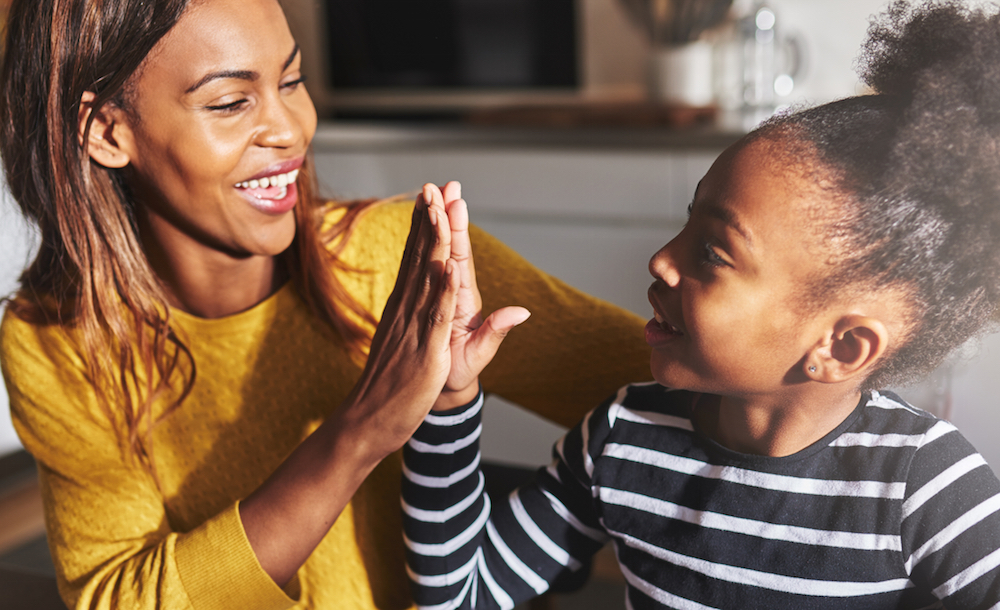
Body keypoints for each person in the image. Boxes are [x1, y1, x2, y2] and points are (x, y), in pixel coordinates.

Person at [0, 0, 651, 608]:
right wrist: (362, 430)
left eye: (291, 81)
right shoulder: (55, 341)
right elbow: (120, 596)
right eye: (230, 102)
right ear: (107, 131)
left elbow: (690, 388)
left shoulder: (401, 255)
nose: (289, 129)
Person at [402, 1, 1000, 608]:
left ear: (840, 347)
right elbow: (462, 594)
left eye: (713, 252)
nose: (661, 259)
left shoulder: (926, 485)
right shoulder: (620, 437)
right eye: (686, 225)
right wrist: (447, 401)